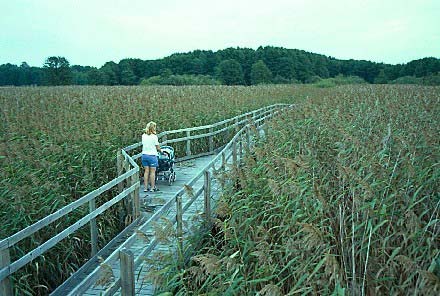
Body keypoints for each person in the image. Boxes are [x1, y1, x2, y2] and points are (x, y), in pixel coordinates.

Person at [141, 121, 163, 192]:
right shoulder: (154, 137)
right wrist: (161, 151)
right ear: (153, 128)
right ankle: (152, 187)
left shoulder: (143, 135)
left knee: (146, 171)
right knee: (152, 172)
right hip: (152, 156)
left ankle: (145, 188)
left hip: (144, 155)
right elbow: (157, 147)